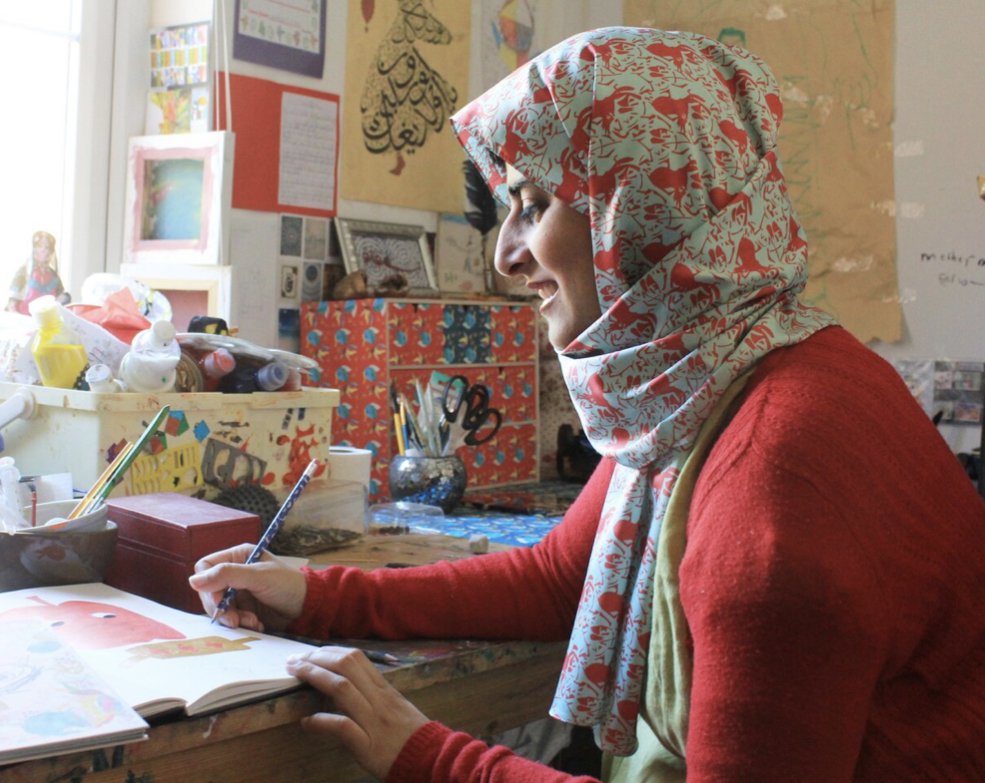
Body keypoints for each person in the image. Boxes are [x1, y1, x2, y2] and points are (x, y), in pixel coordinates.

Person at [190, 27, 985, 782]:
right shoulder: (724, 377)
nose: (505, 256)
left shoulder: (769, 498)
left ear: (642, 210)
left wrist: (427, 754)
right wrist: (315, 591)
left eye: (533, 204)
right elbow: (560, 576)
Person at [6, 230, 70, 314]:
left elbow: (61, 300)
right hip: (24, 320)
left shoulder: (54, 276)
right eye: (40, 246)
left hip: (46, 321)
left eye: (47, 247)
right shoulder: (24, 271)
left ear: (51, 252)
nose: (43, 250)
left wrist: (64, 298)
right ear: (34, 248)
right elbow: (13, 300)